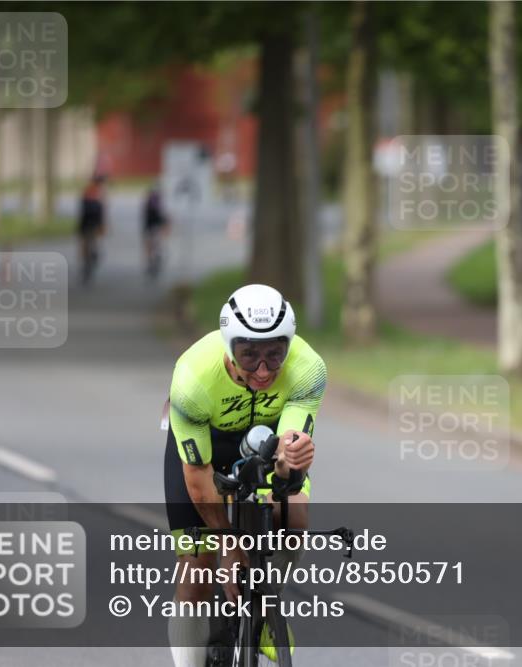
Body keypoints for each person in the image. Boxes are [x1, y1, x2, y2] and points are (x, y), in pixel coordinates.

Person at [164, 284, 324, 666]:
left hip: (264, 444)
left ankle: (266, 605)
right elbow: (198, 481)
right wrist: (229, 545)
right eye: (249, 356)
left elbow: (287, 459)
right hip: (206, 451)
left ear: (289, 345)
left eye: (275, 354)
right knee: (197, 565)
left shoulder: (308, 368)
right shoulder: (192, 377)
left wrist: (290, 462)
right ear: (228, 348)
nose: (264, 369)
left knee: (294, 514)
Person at [77, 176, 106, 284]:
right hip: (95, 217)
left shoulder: (86, 190)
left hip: (85, 218)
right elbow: (102, 209)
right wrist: (102, 225)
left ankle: (85, 259)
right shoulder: (99, 192)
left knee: (84, 240)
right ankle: (94, 253)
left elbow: (82, 207)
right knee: (93, 238)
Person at [142, 186, 169, 279]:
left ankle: (152, 259)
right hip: (154, 225)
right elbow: (162, 216)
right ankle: (156, 256)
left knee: (151, 244)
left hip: (151, 226)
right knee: (154, 242)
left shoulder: (149, 202)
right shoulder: (157, 203)